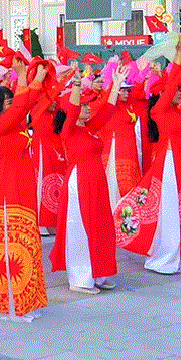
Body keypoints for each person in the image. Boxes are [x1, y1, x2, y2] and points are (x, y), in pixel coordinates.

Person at [116, 42, 181, 276]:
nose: (180, 92)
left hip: (180, 163)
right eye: (177, 89)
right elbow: (170, 88)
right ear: (163, 93)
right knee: (169, 210)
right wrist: (177, 59)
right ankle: (165, 256)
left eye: (180, 89)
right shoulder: (159, 110)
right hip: (168, 165)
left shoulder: (178, 111)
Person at [0, 65, 49, 320]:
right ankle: (10, 306)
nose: (13, 105)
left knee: (28, 246)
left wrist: (48, 81)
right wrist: (32, 78)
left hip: (23, 189)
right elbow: (22, 105)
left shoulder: (15, 124)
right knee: (12, 249)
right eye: (8, 102)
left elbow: (29, 105)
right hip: (6, 193)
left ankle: (27, 300)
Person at [50, 73, 122, 293]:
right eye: (83, 105)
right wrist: (77, 85)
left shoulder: (89, 127)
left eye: (88, 105)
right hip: (79, 182)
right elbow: (72, 110)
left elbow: (107, 111)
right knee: (81, 227)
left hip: (96, 182)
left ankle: (98, 273)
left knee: (100, 226)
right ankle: (80, 278)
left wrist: (116, 85)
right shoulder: (69, 129)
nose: (87, 108)